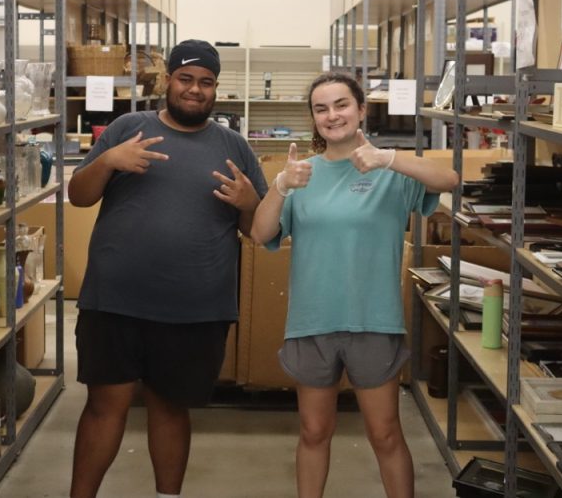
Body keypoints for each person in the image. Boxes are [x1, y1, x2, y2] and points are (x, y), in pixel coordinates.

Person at [67, 39, 268, 498]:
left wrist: (249, 202)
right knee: (104, 406)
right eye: (186, 79)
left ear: (216, 89)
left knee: (172, 409)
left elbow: (258, 230)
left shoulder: (234, 146)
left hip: (195, 308)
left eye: (206, 82)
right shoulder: (127, 128)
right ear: (168, 81)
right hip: (115, 301)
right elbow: (79, 196)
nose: (195, 90)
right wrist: (109, 160)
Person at [250, 72, 459, 498]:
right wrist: (280, 186)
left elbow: (449, 180)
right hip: (312, 321)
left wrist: (389, 158)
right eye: (321, 108)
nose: (332, 115)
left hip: (373, 320)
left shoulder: (391, 172)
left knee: (384, 434)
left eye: (342, 104)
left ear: (361, 109)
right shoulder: (301, 175)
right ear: (313, 118)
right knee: (313, 431)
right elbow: (260, 232)